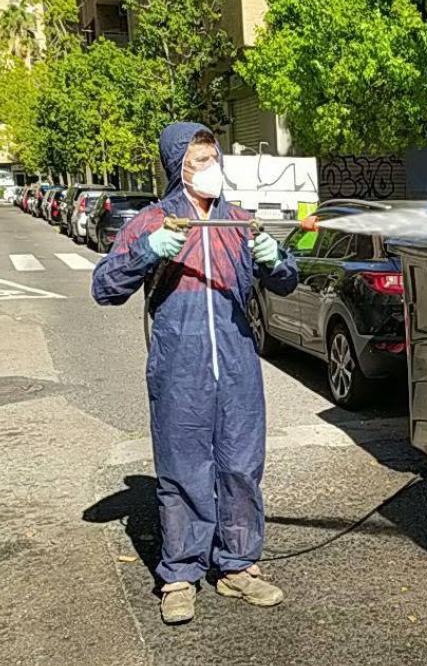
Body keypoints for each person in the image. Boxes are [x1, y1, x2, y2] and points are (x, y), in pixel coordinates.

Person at [91, 122, 299, 625]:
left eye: (214, 158)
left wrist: (275, 261)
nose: (211, 169)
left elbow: (287, 280)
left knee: (241, 468)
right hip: (179, 368)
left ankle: (238, 567)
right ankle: (180, 574)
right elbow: (104, 287)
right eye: (198, 161)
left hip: (237, 365)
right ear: (176, 167)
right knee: (183, 471)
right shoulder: (152, 222)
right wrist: (148, 251)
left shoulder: (240, 223)